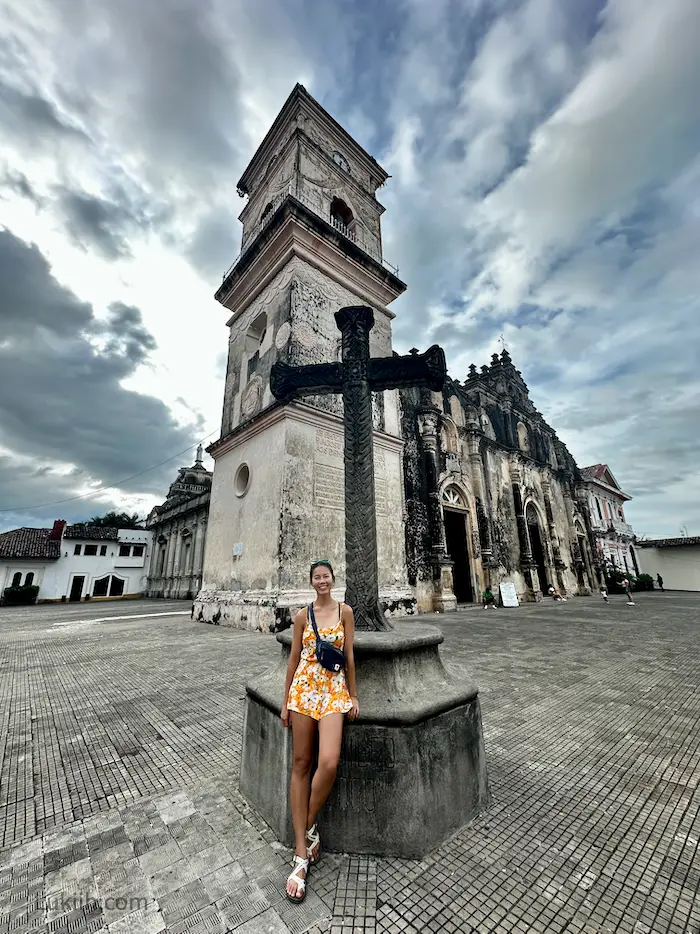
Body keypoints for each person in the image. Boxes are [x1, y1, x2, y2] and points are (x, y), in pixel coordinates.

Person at [281, 560, 359, 902]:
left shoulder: (345, 612)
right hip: (303, 691)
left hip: (333, 692)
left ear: (332, 580)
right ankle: (301, 853)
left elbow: (350, 656)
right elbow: (294, 658)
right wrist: (285, 702)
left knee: (327, 761)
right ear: (312, 582)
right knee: (301, 762)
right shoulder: (302, 616)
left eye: (326, 576)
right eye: (317, 577)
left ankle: (306, 822)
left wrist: (353, 694)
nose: (322, 581)